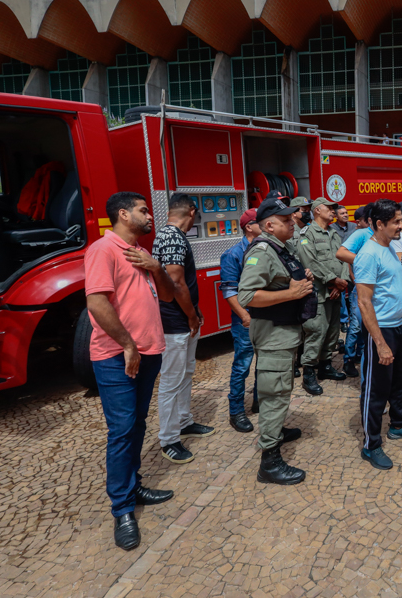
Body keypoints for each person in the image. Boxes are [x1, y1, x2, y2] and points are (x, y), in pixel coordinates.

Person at [84, 192, 176, 550]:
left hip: (147, 353)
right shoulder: (103, 250)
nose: (150, 215)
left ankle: (133, 486)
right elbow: (96, 303)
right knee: (122, 429)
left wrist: (156, 268)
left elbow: (167, 297)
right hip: (117, 357)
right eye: (143, 210)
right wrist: (127, 344)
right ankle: (122, 508)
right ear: (123, 214)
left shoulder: (141, 252)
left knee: (136, 424)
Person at [236, 197, 317, 485]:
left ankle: (277, 431)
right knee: (274, 395)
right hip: (273, 335)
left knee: (281, 389)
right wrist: (291, 294)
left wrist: (301, 277)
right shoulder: (263, 251)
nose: (292, 222)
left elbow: (282, 279)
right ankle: (269, 463)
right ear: (268, 225)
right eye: (284, 220)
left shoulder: (281, 248)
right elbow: (247, 296)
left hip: (283, 333)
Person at [356, 199, 402, 470]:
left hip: (399, 326)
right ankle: (371, 444)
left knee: (399, 382)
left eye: (400, 220)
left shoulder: (389, 248)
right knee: (376, 389)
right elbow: (364, 302)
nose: (401, 225)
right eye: (396, 221)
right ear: (379, 224)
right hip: (382, 330)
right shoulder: (368, 254)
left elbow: (401, 282)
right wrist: (380, 343)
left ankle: (398, 424)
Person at [152, 193, 213, 465]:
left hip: (183, 318)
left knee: (186, 373)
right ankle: (169, 439)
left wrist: (194, 310)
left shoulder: (170, 235)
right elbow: (176, 283)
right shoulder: (173, 237)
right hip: (175, 322)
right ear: (191, 211)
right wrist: (190, 315)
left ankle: (184, 421)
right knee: (171, 380)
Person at [293, 197, 351, 395]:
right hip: (318, 292)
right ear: (317, 210)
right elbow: (309, 261)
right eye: (330, 208)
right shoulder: (307, 234)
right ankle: (309, 372)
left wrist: (342, 283)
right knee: (316, 331)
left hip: (335, 292)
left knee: (333, 331)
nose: (333, 211)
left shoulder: (333, 233)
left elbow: (343, 258)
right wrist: (333, 280)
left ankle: (326, 366)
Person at [220, 208, 261, 433]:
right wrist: (245, 317)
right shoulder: (233, 254)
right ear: (249, 227)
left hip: (265, 318)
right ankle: (236, 411)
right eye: (260, 221)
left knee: (264, 364)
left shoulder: (266, 249)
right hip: (245, 321)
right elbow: (229, 291)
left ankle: (259, 401)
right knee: (242, 365)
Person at [336, 204, 375, 378]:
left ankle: (360, 354)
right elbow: (347, 259)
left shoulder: (378, 236)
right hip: (359, 288)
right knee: (356, 326)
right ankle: (348, 359)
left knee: (367, 324)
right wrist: (356, 279)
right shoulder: (360, 235)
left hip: (373, 290)